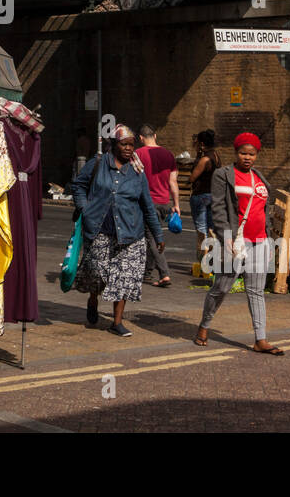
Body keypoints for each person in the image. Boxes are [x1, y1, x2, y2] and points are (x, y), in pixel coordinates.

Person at [70, 124, 164, 338]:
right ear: (113, 145)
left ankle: (117, 322)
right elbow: (78, 185)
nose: (129, 148)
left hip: (131, 234)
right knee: (98, 274)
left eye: (132, 144)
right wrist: (84, 207)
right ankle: (93, 300)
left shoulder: (137, 171)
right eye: (124, 144)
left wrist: (158, 234)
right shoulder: (99, 163)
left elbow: (148, 205)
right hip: (99, 230)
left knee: (124, 278)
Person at [194, 132, 284, 355]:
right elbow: (218, 208)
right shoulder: (223, 175)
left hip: (260, 242)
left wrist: (269, 241)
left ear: (257, 155)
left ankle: (260, 339)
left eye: (251, 154)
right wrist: (227, 238)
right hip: (235, 241)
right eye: (243, 153)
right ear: (236, 153)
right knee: (222, 287)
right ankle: (204, 325)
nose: (247, 157)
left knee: (256, 291)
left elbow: (264, 212)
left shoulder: (260, 178)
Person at [136, 124, 179, 287]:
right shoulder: (168, 154)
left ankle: (164, 273)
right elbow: (173, 182)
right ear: (155, 136)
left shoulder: (138, 154)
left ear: (141, 138)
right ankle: (147, 272)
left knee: (152, 239)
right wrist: (176, 204)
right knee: (153, 236)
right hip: (164, 202)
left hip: (148, 203)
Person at [188, 129, 220, 260]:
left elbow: (192, 178)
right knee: (211, 229)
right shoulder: (216, 156)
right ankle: (212, 261)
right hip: (213, 195)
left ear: (201, 144)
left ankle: (203, 262)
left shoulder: (205, 159)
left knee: (201, 231)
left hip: (201, 195)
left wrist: (197, 157)